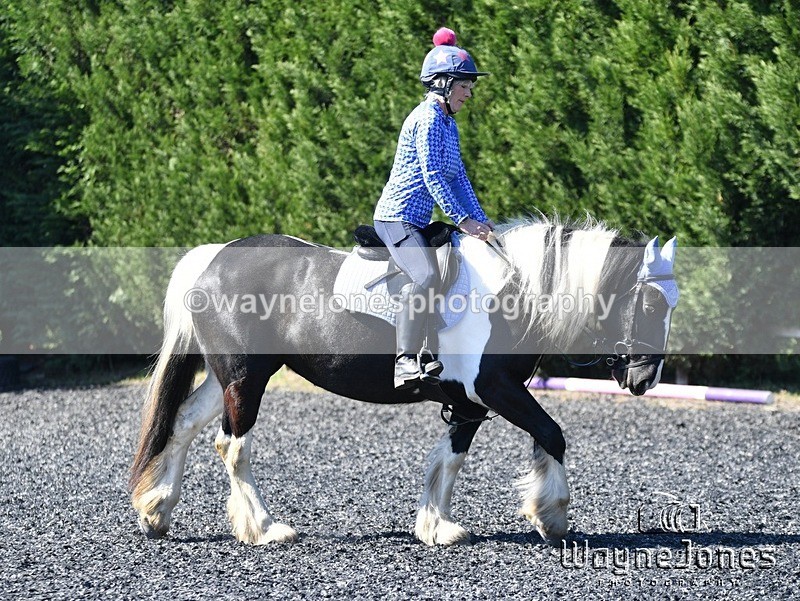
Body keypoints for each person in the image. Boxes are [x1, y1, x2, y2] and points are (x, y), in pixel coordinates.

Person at [373, 27, 494, 389]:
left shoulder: (448, 124)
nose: (469, 93)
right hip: (397, 217)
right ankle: (405, 361)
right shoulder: (426, 120)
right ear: (442, 83)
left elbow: (458, 178)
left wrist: (481, 219)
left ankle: (431, 350)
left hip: (418, 220)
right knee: (425, 276)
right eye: (465, 85)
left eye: (471, 86)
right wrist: (462, 219)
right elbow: (433, 177)